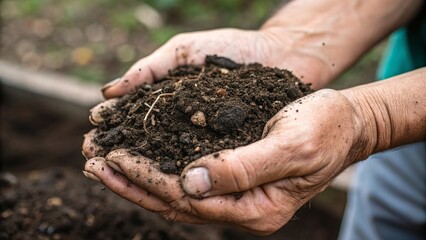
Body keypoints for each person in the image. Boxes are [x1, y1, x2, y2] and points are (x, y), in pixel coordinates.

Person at [82, 0, 426, 238]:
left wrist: (376, 117)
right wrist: (292, 40)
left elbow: (377, 117)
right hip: (408, 142)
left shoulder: (377, 118)